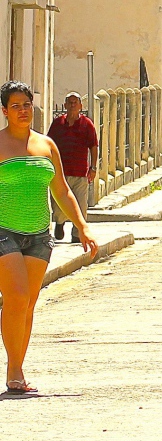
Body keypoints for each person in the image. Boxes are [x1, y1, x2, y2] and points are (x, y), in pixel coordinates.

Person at [0, 81, 98, 393]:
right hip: (4, 232)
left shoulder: (47, 145)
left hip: (39, 236)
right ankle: (14, 369)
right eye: (15, 106)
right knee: (15, 297)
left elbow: (62, 190)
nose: (22, 111)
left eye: (26, 105)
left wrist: (82, 225)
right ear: (4, 111)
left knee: (28, 303)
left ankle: (17, 365)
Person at [46, 91, 98, 243]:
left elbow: (93, 146)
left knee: (81, 204)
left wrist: (93, 167)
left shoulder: (87, 124)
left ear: (81, 106)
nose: (72, 105)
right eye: (69, 102)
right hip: (60, 172)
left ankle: (77, 233)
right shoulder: (57, 124)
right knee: (58, 203)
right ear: (65, 105)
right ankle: (60, 223)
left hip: (80, 171)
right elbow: (49, 144)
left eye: (75, 102)